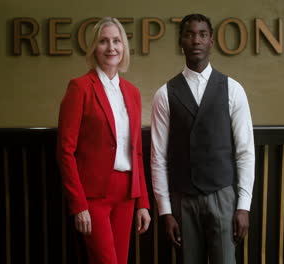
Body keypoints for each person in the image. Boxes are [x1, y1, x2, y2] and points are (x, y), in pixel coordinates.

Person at [150, 13, 255, 264]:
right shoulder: (165, 94)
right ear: (181, 43)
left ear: (211, 42)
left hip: (223, 196)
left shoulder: (233, 89)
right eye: (189, 34)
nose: (195, 40)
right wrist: (166, 211)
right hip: (182, 199)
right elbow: (158, 157)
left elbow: (245, 151)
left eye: (202, 34)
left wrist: (243, 206)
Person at [57, 17, 151, 264]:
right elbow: (65, 151)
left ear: (124, 47)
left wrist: (142, 202)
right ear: (94, 48)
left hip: (127, 193)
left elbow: (137, 152)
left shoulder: (132, 92)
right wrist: (79, 205)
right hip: (94, 196)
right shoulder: (80, 88)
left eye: (117, 41)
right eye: (103, 41)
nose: (111, 47)